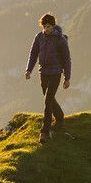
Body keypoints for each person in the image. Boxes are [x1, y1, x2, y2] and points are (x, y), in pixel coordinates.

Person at [24, 12, 71, 141]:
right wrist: (28, 70)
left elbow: (67, 59)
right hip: (43, 72)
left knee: (47, 100)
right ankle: (60, 117)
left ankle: (44, 131)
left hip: (55, 73)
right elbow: (33, 54)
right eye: (44, 26)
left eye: (49, 26)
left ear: (53, 26)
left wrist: (67, 78)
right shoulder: (39, 37)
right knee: (49, 98)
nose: (46, 29)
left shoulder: (60, 40)